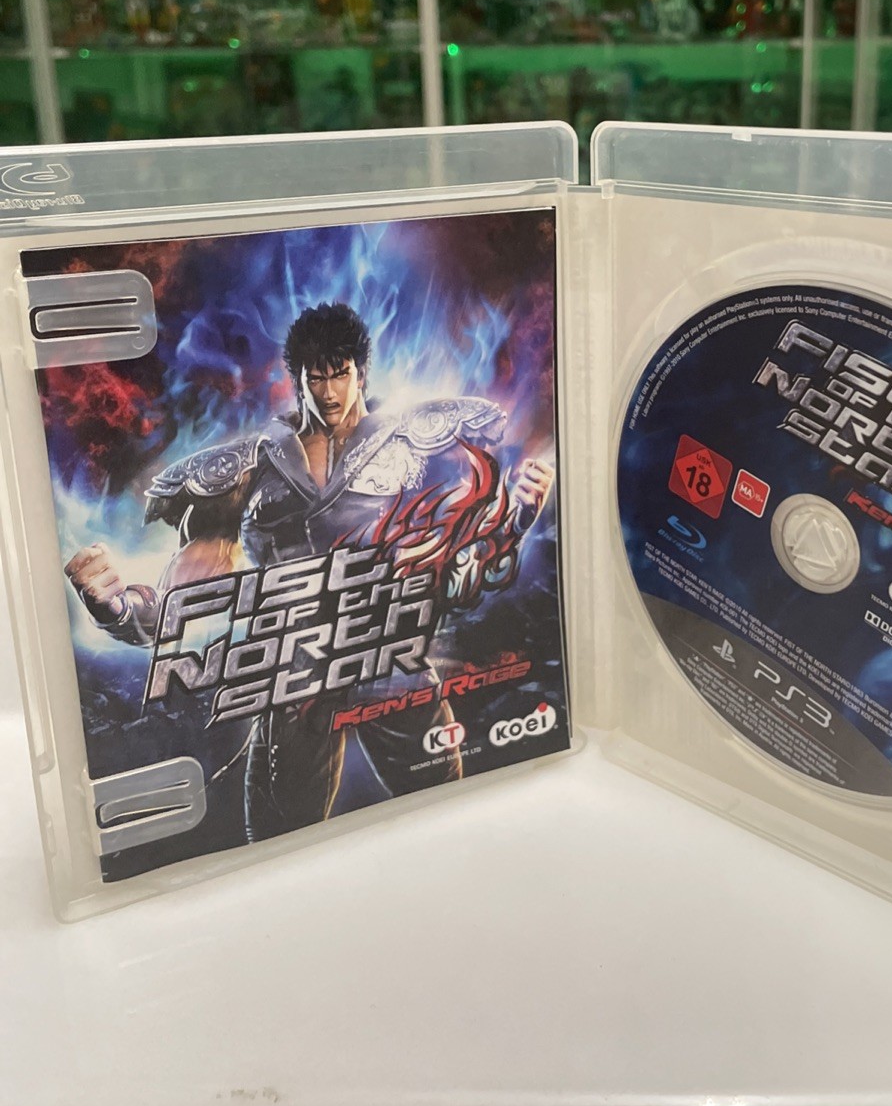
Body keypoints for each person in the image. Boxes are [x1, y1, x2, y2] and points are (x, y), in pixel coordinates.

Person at [64, 301, 553, 840]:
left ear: (361, 373)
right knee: (277, 844)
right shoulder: (248, 470)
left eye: (339, 374)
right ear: (296, 380)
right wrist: (115, 606)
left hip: (394, 662)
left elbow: (456, 573)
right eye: (315, 377)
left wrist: (516, 519)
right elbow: (175, 606)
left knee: (450, 816)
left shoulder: (420, 447)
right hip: (293, 681)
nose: (328, 392)